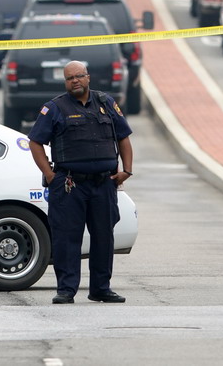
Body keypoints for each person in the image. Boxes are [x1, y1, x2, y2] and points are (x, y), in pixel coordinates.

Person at [28, 61, 134, 305]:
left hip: (103, 184)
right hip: (69, 186)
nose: (74, 81)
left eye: (78, 76)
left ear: (88, 78)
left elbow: (124, 137)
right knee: (67, 239)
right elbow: (35, 142)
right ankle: (66, 289)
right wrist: (51, 175)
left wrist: (127, 170)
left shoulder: (106, 103)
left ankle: (101, 288)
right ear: (65, 83)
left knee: (103, 238)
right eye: (69, 78)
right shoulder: (54, 108)